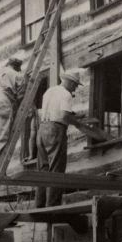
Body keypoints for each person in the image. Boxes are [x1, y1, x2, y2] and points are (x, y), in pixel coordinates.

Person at [35, 71, 82, 207]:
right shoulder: (66, 94)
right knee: (56, 170)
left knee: (43, 170)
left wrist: (76, 116)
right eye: (76, 85)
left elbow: (54, 111)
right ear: (71, 82)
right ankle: (52, 207)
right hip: (55, 130)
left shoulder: (49, 91)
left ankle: (39, 205)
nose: (76, 88)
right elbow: (64, 117)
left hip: (42, 129)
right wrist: (79, 124)